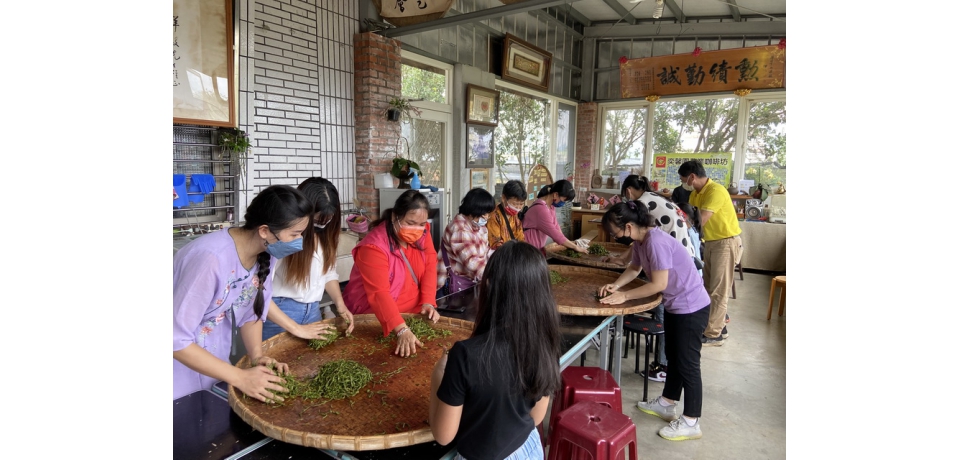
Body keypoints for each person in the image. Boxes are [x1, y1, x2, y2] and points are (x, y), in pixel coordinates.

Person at [173, 185, 315, 401]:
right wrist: (240, 377)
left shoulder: (266, 253)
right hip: (178, 372)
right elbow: (175, 339)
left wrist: (257, 357)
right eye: (295, 234)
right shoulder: (210, 259)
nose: (299, 241)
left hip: (212, 362)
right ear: (264, 230)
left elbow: (251, 310)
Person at [430, 241, 561, 459]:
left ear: (488, 286)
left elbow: (443, 436)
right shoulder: (546, 342)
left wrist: (439, 374)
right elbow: (535, 418)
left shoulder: (465, 355)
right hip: (528, 450)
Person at [597, 201, 711, 441]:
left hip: (691, 307)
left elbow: (658, 284)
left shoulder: (656, 243)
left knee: (688, 363)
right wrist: (615, 285)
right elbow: (635, 268)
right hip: (676, 305)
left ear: (628, 227)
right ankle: (667, 403)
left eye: (615, 233)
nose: (614, 237)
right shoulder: (642, 240)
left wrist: (624, 296)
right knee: (673, 355)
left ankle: (692, 421)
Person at [342, 189, 441, 357]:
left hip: (412, 315)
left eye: (421, 224)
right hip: (377, 319)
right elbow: (379, 293)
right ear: (395, 216)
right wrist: (401, 329)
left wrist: (428, 302)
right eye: (410, 223)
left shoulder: (423, 233)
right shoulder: (374, 247)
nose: (417, 229)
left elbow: (430, 266)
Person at [262, 177, 355, 341]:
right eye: (317, 219)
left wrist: (340, 305)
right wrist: (296, 328)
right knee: (279, 363)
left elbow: (328, 273)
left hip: (313, 310)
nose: (322, 225)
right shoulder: (285, 237)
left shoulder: (325, 237)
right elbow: (259, 291)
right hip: (281, 311)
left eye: (327, 219)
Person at [678, 160, 742, 347]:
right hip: (711, 243)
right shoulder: (695, 195)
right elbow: (687, 217)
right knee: (706, 288)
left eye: (683, 179)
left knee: (719, 290)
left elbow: (700, 220)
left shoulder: (716, 191)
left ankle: (714, 334)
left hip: (726, 242)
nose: (683, 183)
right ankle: (718, 326)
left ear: (692, 177)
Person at [606, 175, 696, 266]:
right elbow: (639, 239)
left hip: (676, 257)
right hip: (685, 251)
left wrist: (623, 259)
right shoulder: (653, 196)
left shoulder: (643, 203)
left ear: (628, 191)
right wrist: (623, 259)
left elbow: (639, 235)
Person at [437, 188, 496, 294]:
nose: (486, 217)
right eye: (484, 214)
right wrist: (494, 278)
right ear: (474, 210)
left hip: (468, 283)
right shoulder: (459, 228)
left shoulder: (479, 227)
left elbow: (486, 252)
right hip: (452, 285)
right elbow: (471, 261)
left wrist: (501, 257)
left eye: (488, 214)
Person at [520, 179, 587, 255]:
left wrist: (571, 243)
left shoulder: (550, 207)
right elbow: (555, 234)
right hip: (527, 250)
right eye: (564, 200)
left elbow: (557, 228)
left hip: (536, 249)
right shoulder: (540, 209)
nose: (563, 203)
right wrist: (575, 247)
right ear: (555, 194)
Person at [487, 180, 526, 250]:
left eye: (521, 204)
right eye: (515, 204)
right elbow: (495, 244)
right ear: (503, 198)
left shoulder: (515, 217)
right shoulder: (494, 216)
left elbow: (520, 238)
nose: (518, 208)